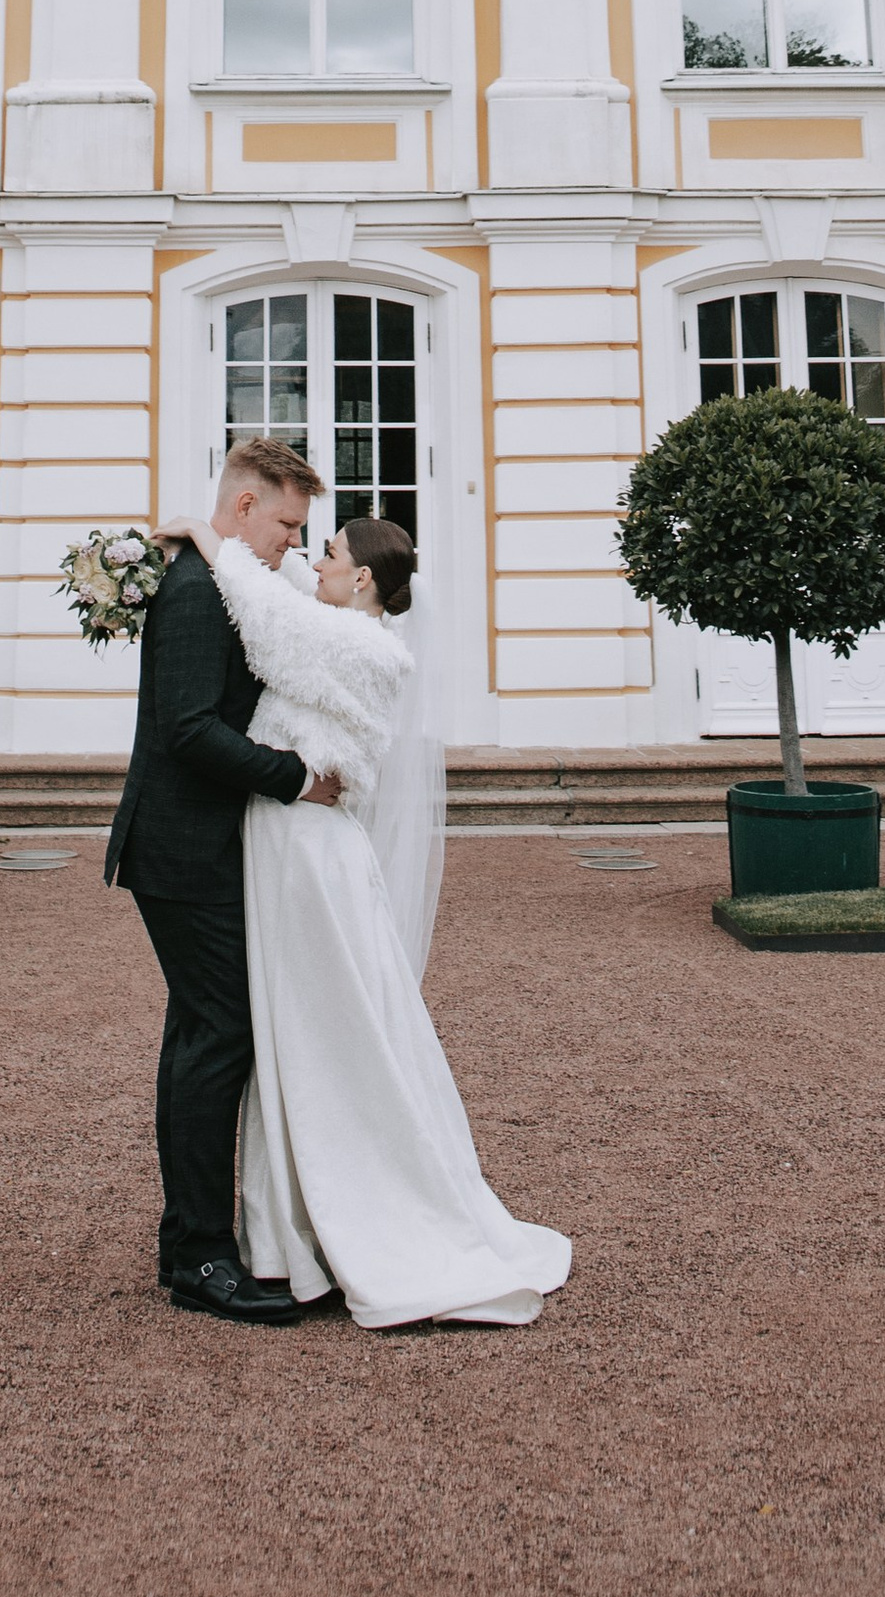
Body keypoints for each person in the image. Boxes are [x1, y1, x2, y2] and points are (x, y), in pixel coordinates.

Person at [187, 509, 574, 1331]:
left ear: (362, 577)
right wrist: (253, 538)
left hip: (306, 861)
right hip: (289, 844)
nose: (312, 559)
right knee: (293, 1030)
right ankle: (291, 1228)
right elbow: (288, 585)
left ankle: (343, 1220)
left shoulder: (363, 648)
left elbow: (267, 614)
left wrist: (202, 532)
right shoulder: (344, 622)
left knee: (317, 1030)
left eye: (327, 552)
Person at [103, 432, 342, 1324]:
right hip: (183, 850)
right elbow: (190, 731)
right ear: (243, 506)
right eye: (286, 522)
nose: (292, 541)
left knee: (201, 1036)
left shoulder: (219, 577)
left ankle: (190, 1246)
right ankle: (202, 1256)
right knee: (223, 1034)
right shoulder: (199, 594)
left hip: (198, 847)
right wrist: (296, 780)